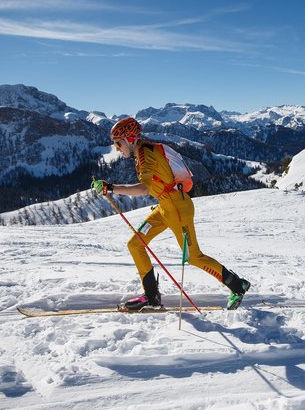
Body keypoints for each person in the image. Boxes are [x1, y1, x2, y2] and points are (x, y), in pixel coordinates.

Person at [92, 117, 250, 311]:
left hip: (177, 208)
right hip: (165, 207)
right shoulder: (143, 152)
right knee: (135, 244)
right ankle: (152, 297)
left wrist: (111, 188)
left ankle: (237, 286)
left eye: (118, 143)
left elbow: (144, 189)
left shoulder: (145, 154)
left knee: (193, 257)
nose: (117, 148)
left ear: (131, 139)